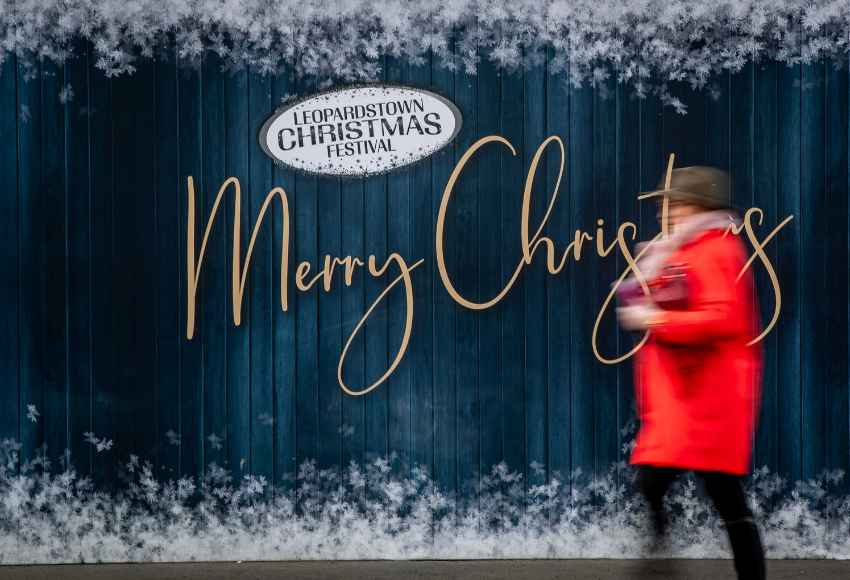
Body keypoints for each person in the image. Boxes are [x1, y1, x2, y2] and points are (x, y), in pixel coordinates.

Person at [616, 166, 766, 580]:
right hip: (689, 398)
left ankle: (661, 561)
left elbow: (723, 318)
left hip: (708, 398)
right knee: (658, 483)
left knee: (725, 496)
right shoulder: (685, 249)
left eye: (679, 203)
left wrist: (656, 319)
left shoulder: (717, 250)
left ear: (701, 208)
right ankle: (658, 557)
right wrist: (649, 288)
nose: (671, 211)